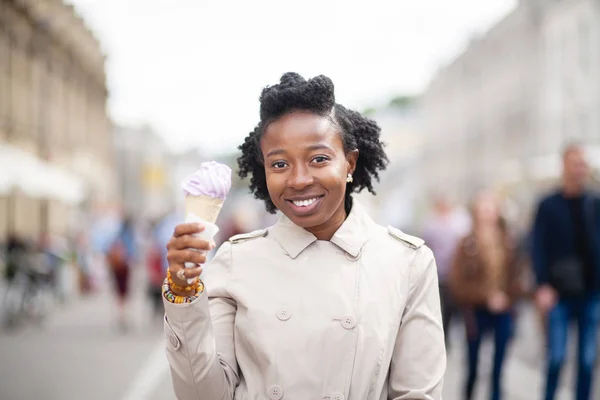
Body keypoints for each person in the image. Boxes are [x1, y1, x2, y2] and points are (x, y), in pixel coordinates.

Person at [161, 72, 446, 399]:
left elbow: (417, 394)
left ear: (349, 163)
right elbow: (203, 396)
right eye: (279, 164)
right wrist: (183, 292)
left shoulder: (407, 263)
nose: (298, 179)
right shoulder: (235, 260)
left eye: (319, 159)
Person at [531, 143, 600, 400]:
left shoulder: (594, 202)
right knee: (556, 357)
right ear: (564, 166)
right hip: (557, 292)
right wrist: (542, 284)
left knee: (586, 360)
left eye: (583, 164)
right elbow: (536, 246)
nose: (580, 169)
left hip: (591, 292)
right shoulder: (548, 205)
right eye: (575, 163)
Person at [449, 191, 523, 400]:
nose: (487, 214)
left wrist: (509, 297)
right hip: (476, 311)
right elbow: (457, 283)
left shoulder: (509, 241)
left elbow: (518, 275)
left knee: (498, 367)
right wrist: (485, 297)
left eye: (490, 209)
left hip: (504, 310)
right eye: (482, 210)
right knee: (472, 365)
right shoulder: (465, 243)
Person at [422, 192, 470, 346]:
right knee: (445, 309)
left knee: (462, 308)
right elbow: (426, 245)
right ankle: (444, 339)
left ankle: (465, 338)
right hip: (441, 273)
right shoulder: (431, 222)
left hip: (461, 274)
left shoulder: (461, 219)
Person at [106, 216, 136, 331]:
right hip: (125, 267)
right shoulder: (129, 236)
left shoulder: (116, 235)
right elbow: (133, 253)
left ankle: (121, 315)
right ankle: (123, 315)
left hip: (117, 267)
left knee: (119, 293)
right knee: (125, 293)